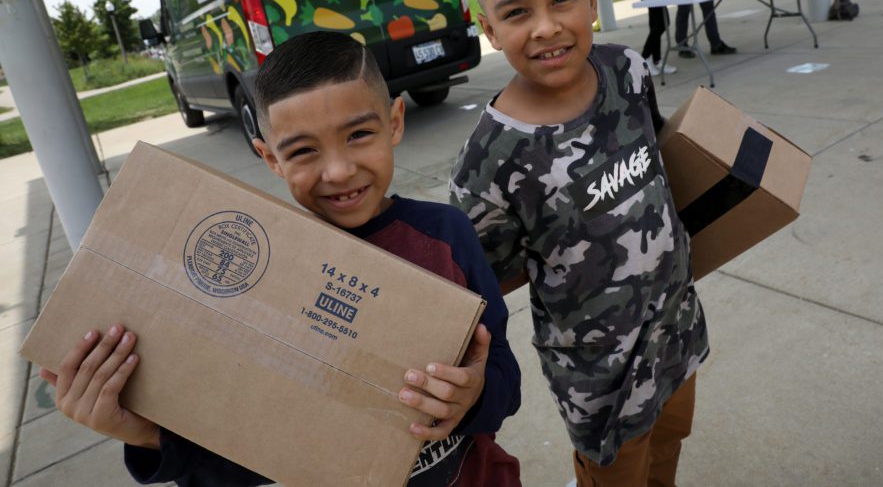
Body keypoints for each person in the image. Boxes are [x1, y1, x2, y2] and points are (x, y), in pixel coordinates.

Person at [40, 32, 522, 487]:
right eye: (303, 150)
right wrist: (147, 435)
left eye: (358, 135)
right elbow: (254, 457)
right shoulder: (265, 275)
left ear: (394, 121)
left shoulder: (445, 235)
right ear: (269, 158)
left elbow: (505, 378)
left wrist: (475, 394)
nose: (337, 170)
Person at [450, 0, 709, 487]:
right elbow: (485, 282)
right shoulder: (489, 162)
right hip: (601, 381)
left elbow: (660, 171)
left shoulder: (628, 71)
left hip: (675, 336)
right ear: (488, 27)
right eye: (517, 13)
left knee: (669, 452)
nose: (546, 27)